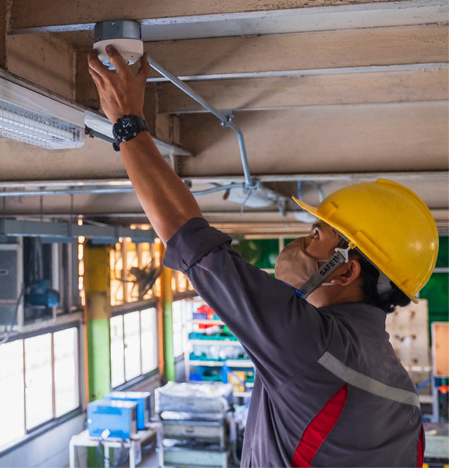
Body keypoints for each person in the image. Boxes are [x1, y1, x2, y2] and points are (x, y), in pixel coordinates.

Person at [88, 45, 438, 467]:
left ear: (346, 270)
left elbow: (190, 238)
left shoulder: (318, 349)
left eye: (316, 234)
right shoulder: (400, 390)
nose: (299, 243)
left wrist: (128, 122)